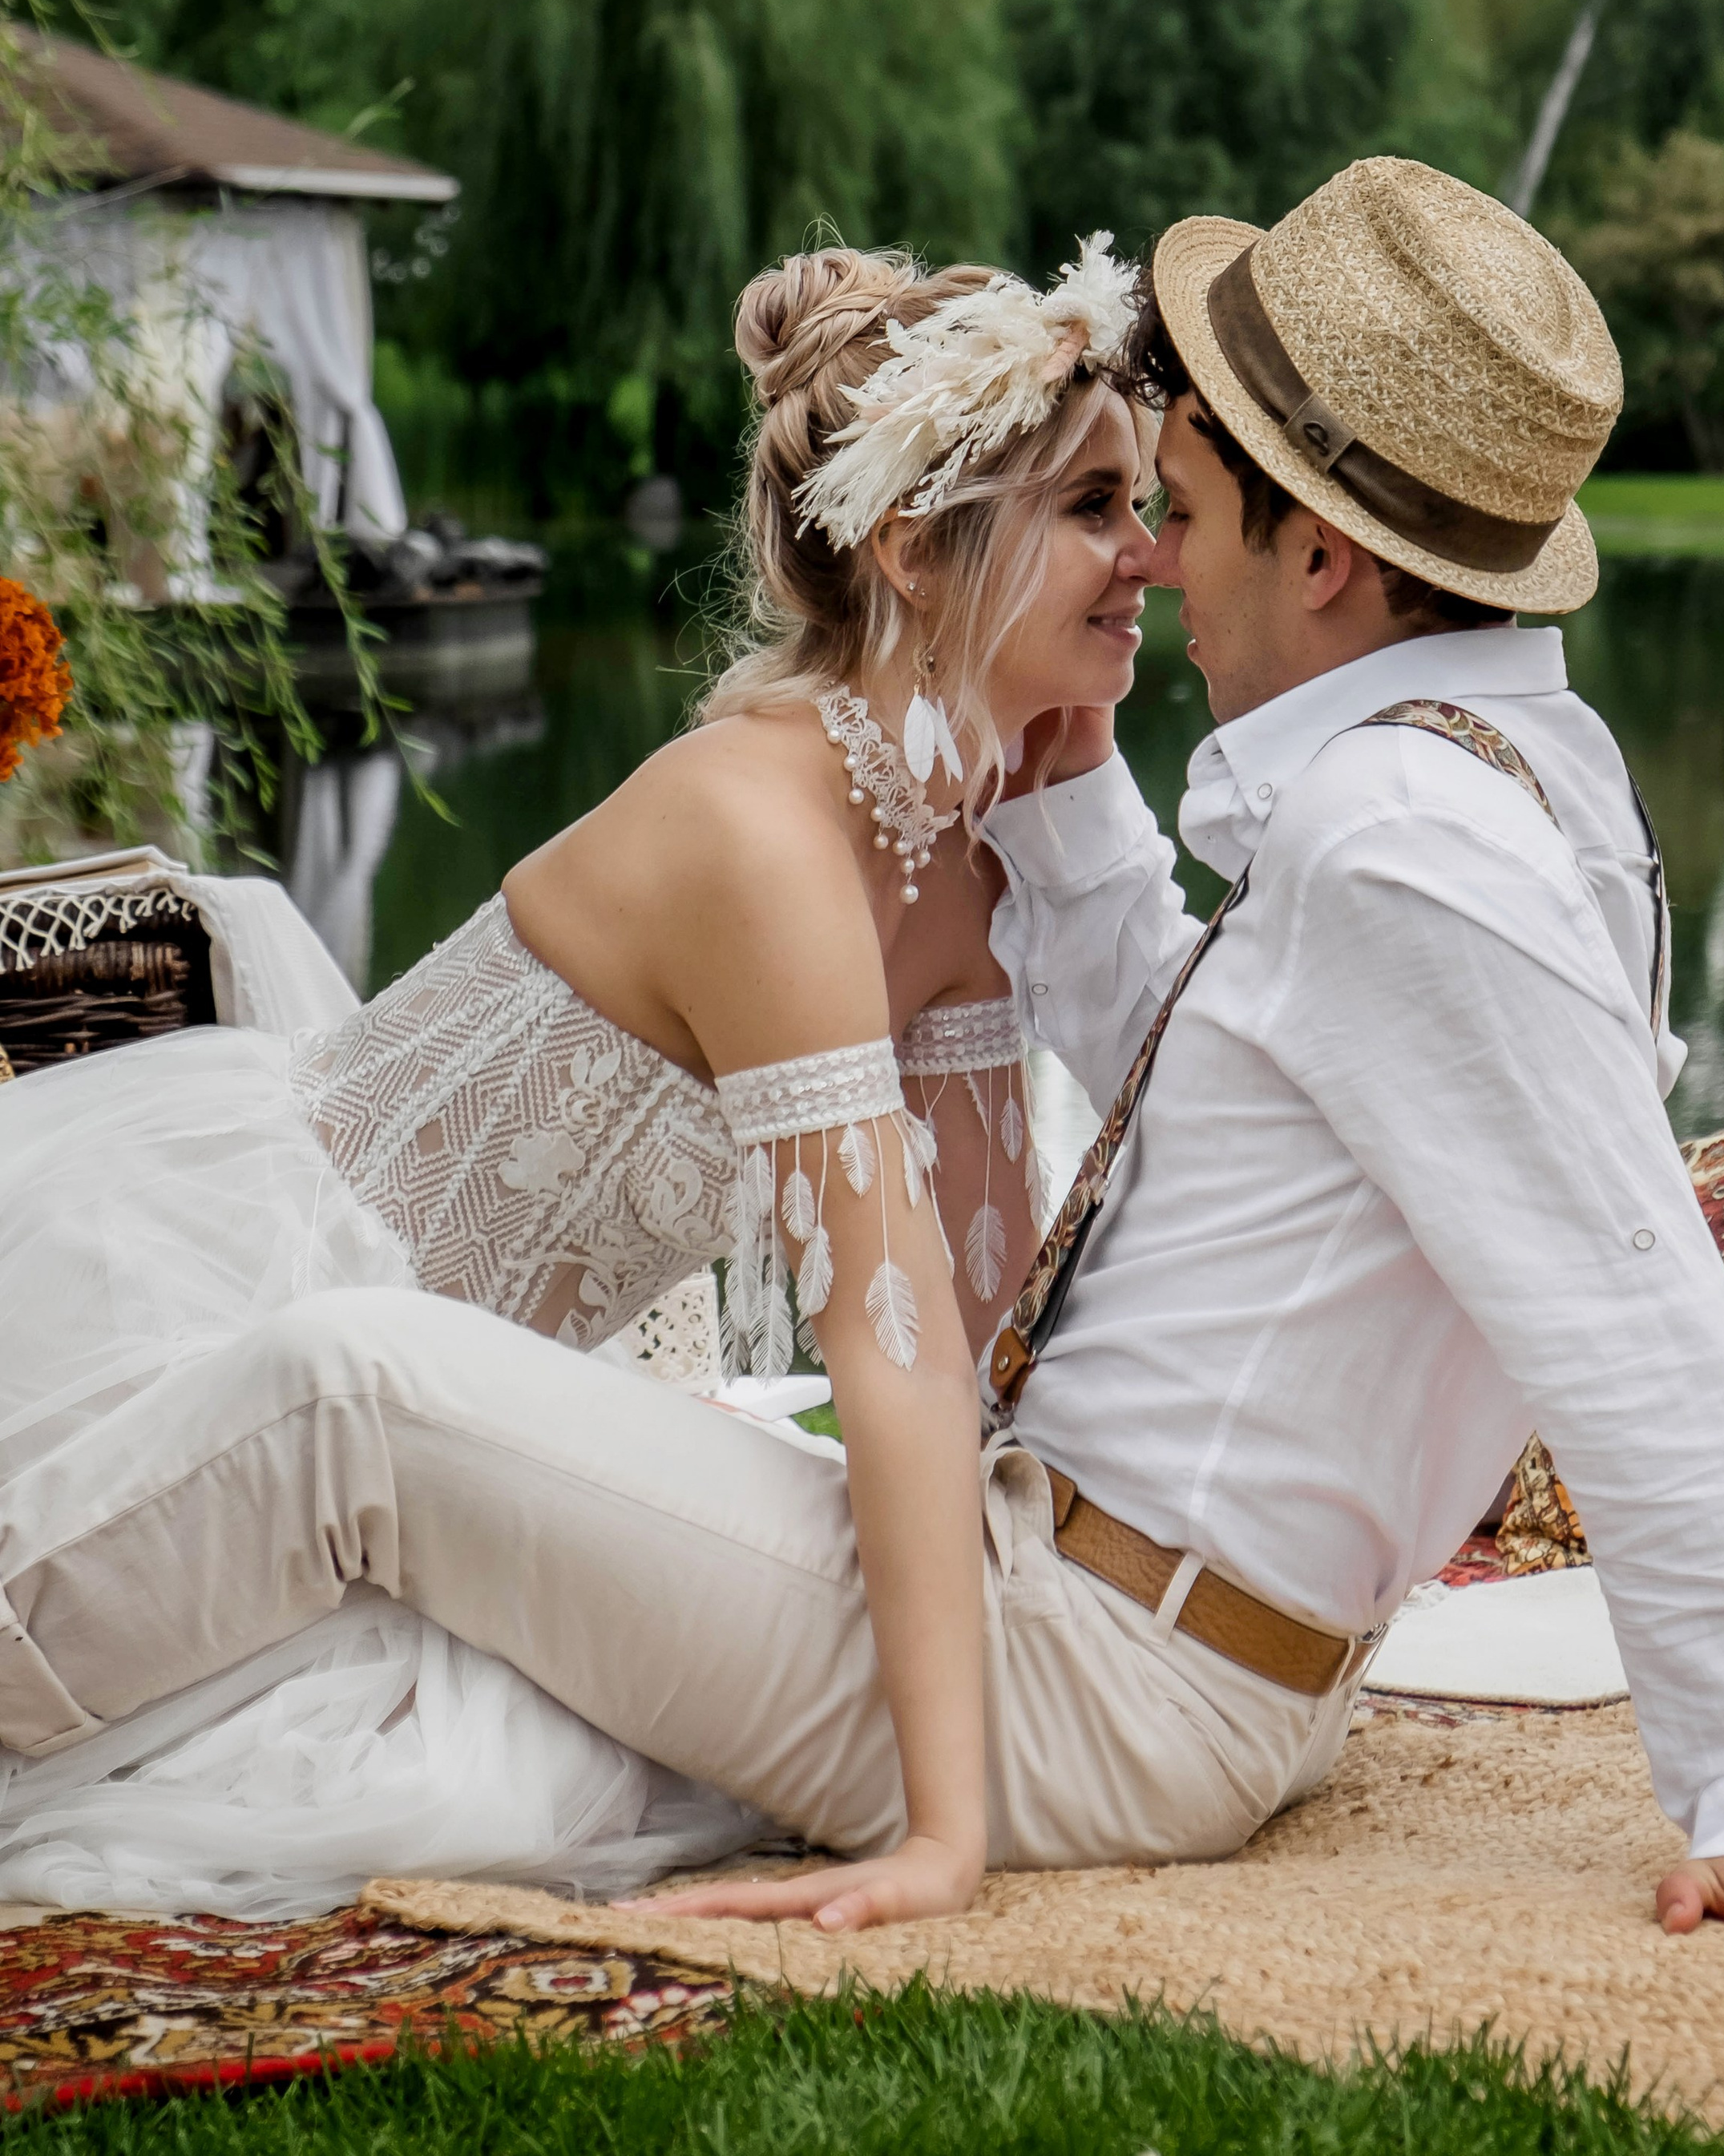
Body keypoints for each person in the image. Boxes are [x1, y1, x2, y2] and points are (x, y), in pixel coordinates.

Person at [0, 167, 1724, 1960]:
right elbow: (1199, 1097)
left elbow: (1630, 1306)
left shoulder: (1408, 851)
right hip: (1121, 1622)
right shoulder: (1490, 795)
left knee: (349, 1386)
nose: (1156, 559)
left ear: (1320, 563)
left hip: (1113, 1671)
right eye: (1111, 510)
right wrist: (1056, 812)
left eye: (1183, 507)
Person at [0, 234, 1150, 1921]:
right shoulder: (759, 836)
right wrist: (939, 1830)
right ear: (911, 546)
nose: (1152, 561)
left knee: (640, 1721)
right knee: (494, 1774)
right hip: (263, 1328)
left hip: (465, 1423)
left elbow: (974, 1326)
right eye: (1096, 509)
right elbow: (880, 1340)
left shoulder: (955, 859)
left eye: (1140, 506)